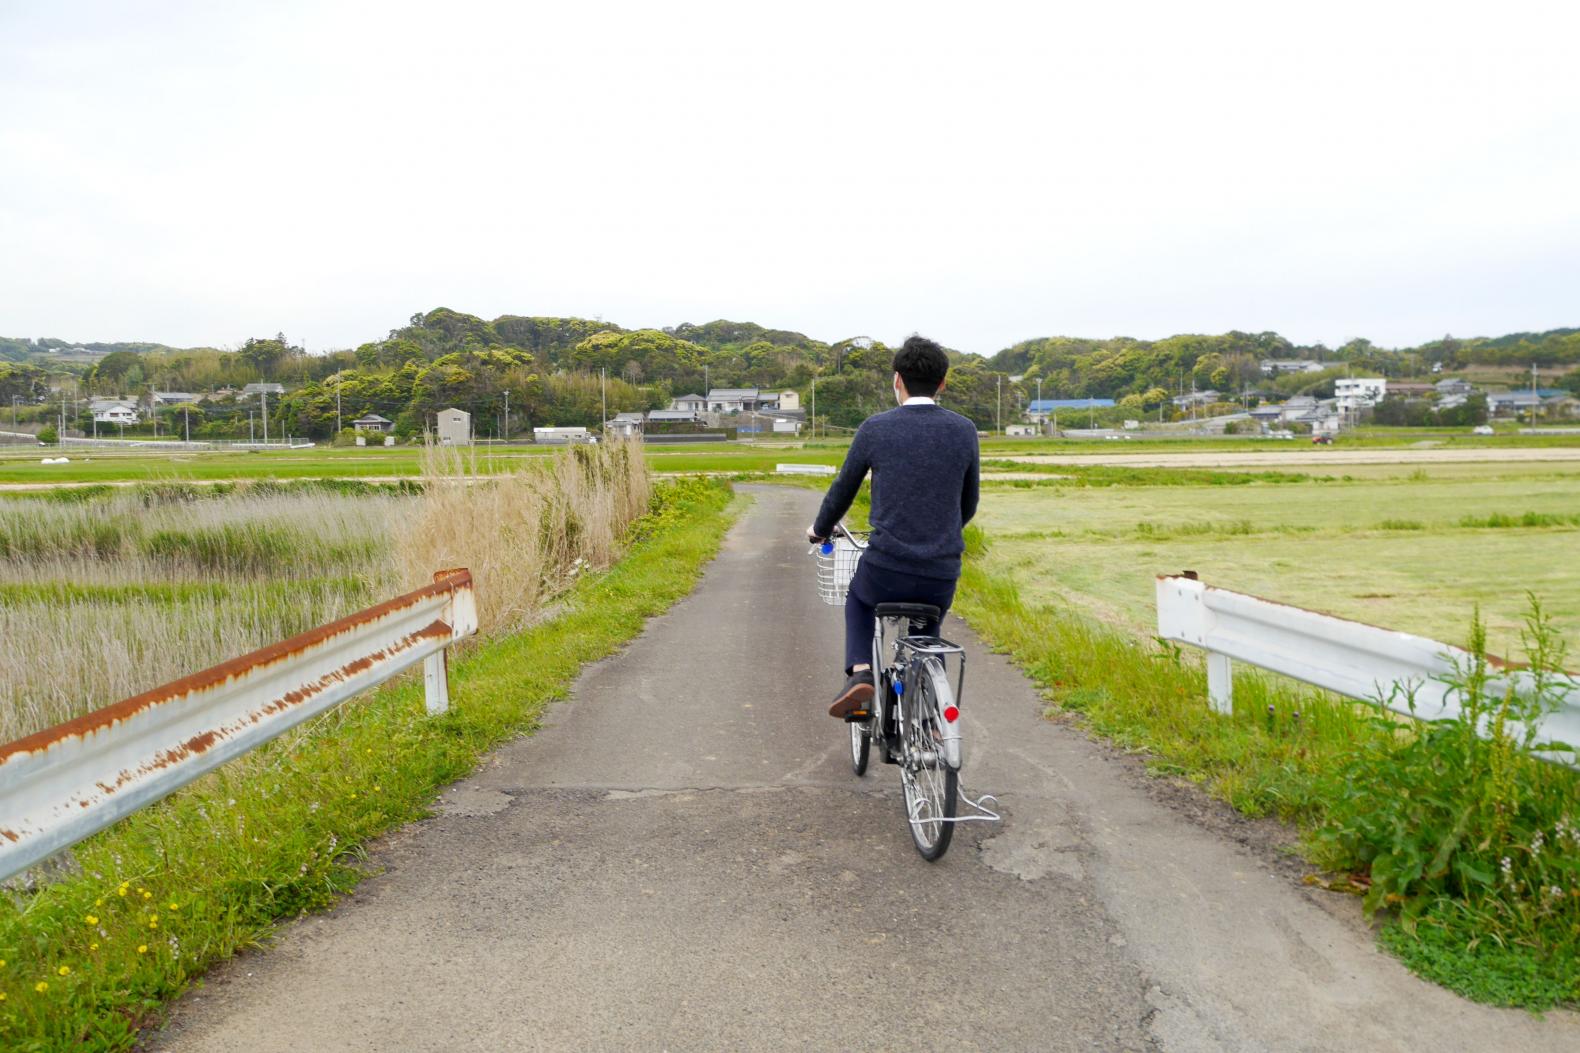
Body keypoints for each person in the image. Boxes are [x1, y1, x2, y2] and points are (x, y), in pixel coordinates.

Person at [807, 335, 980, 720]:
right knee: (925, 630)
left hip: (886, 570)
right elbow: (968, 502)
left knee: (858, 598)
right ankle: (930, 719)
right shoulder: (964, 430)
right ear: (943, 383)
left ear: (897, 380)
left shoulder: (876, 428)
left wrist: (820, 529)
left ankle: (861, 674)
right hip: (941, 570)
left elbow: (843, 491)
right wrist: (943, 533)